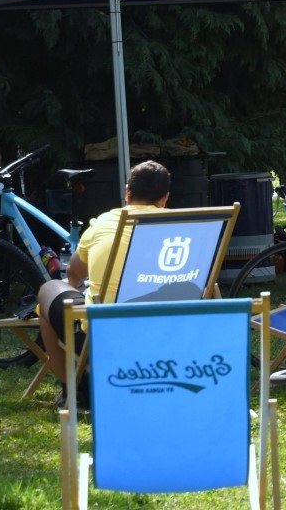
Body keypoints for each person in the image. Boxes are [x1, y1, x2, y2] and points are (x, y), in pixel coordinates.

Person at [36, 159, 173, 397]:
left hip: (106, 339)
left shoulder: (105, 222)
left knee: (49, 289)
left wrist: (78, 288)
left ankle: (74, 391)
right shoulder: (184, 226)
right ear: (164, 199)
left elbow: (74, 273)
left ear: (127, 194)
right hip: (170, 336)